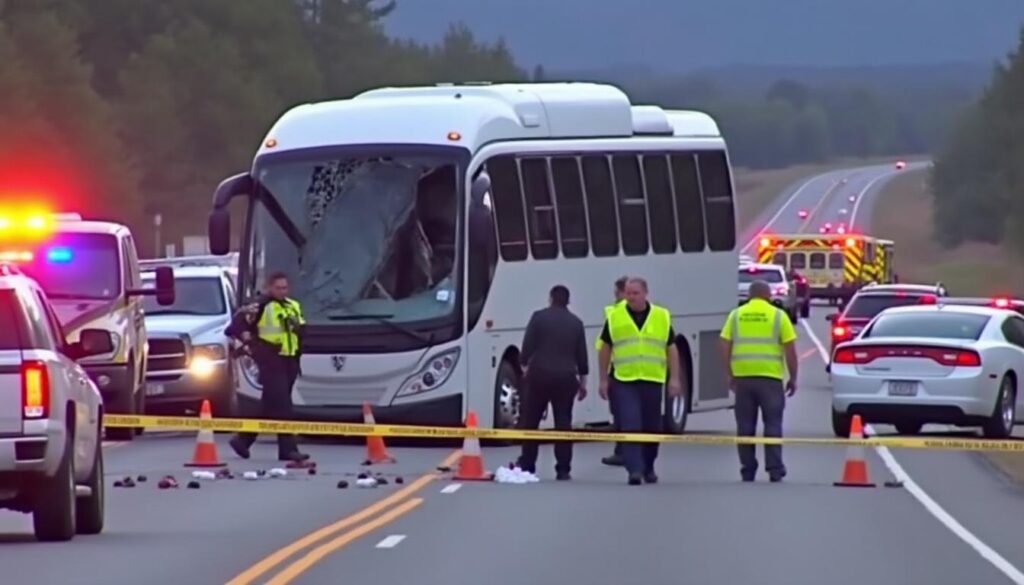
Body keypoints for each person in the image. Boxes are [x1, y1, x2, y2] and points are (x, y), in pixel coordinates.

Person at [597, 277, 682, 485]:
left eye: (635, 293)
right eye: (628, 293)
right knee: (630, 422)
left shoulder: (661, 316)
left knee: (652, 426)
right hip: (625, 378)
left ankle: (649, 466)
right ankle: (634, 469)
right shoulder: (615, 316)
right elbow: (605, 347)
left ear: (645, 293)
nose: (631, 297)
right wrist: (603, 378)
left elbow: (671, 348)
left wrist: (675, 378)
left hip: (652, 378)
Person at [719, 279, 798, 483]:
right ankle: (774, 468)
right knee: (772, 424)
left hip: (743, 379)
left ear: (749, 296)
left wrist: (729, 373)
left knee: (745, 426)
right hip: (770, 379)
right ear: (768, 296)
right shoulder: (778, 316)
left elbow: (724, 344)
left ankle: (747, 468)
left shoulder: (736, 315)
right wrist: (793, 378)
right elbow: (790, 349)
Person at [227, 271, 310, 462]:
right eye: (278, 288)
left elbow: (303, 330)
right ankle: (288, 449)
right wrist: (249, 339)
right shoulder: (260, 306)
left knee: (270, 406)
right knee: (283, 407)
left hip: (289, 361)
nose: (282, 291)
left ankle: (243, 440)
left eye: (285, 287)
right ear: (269, 288)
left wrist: (297, 327)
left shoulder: (293, 305)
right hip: (271, 361)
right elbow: (235, 326)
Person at [516, 284, 589, 480]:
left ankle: (528, 464)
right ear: (568, 301)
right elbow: (582, 357)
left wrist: (524, 367)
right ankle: (563, 468)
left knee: (531, 421)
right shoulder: (576, 323)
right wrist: (583, 382)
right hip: (566, 378)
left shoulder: (538, 318)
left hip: (539, 376)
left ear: (550, 299)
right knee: (563, 423)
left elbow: (527, 346)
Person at [599, 276, 628, 467]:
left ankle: (622, 452)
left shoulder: (616, 313)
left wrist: (603, 377)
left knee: (621, 414)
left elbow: (605, 345)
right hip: (628, 370)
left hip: (620, 371)